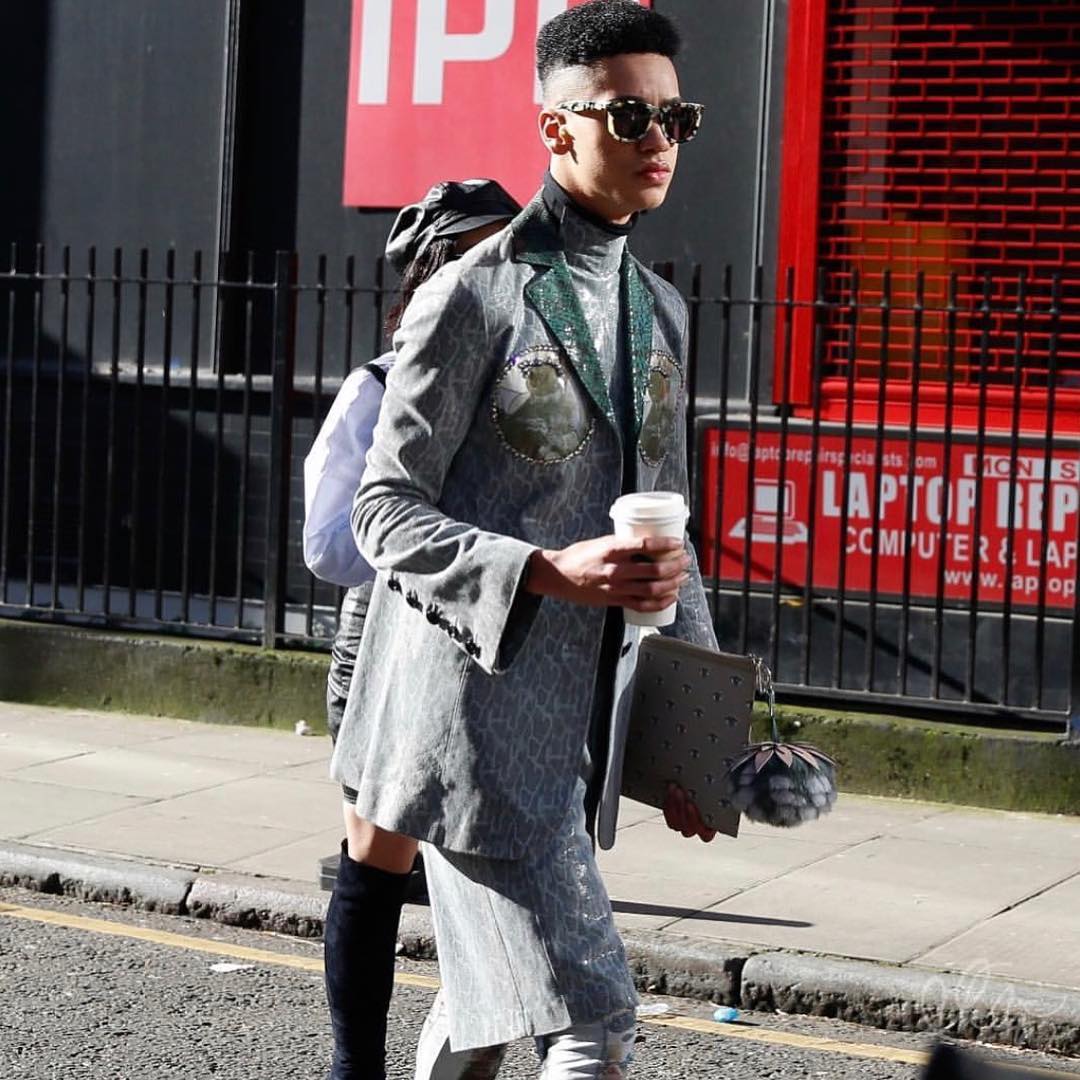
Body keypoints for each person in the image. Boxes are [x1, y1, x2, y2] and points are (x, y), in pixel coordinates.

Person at [331, 1, 715, 1075]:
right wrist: (542, 570)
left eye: (676, 117)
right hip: (472, 728)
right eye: (628, 115)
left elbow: (670, 535)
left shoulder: (662, 310)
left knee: (488, 1010)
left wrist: (694, 745)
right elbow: (382, 509)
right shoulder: (473, 294)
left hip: (578, 732)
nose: (657, 140)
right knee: (592, 1016)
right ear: (556, 127)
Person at [304, 178, 520, 1080]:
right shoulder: (382, 384)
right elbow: (329, 545)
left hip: (505, 636)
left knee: (498, 852)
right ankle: (356, 1066)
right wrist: (427, 531)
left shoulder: (536, 389)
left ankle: (463, 1037)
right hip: (391, 636)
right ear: (432, 273)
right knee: (379, 852)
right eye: (479, 254)